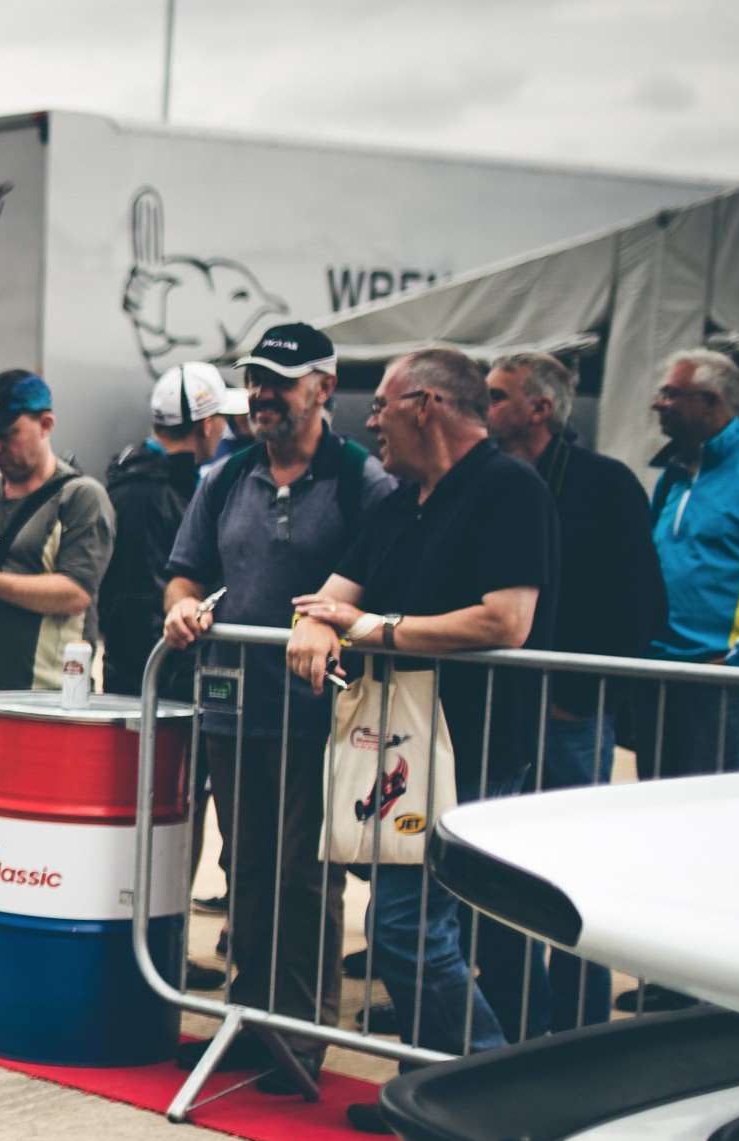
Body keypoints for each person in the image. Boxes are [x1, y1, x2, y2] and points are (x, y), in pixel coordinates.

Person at [287, 348, 556, 1058]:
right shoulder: (401, 501)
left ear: (427, 405)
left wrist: (377, 629)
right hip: (402, 746)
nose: (370, 421)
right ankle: (435, 1080)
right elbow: (334, 594)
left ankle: (492, 1084)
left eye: (381, 404)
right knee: (410, 928)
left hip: (475, 744)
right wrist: (316, 622)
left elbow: (506, 620)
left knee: (405, 929)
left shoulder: (507, 489)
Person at [161, 324, 391, 1077]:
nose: (260, 394)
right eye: (253, 380)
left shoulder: (363, 480)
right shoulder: (225, 477)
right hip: (234, 710)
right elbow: (187, 570)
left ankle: (299, 1038)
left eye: (278, 382)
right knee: (248, 871)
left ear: (324, 388)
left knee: (306, 875)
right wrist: (182, 608)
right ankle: (247, 1019)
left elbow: (385, 580)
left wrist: (330, 624)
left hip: (327, 718)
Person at [485, 350, 662, 1030]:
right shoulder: (489, 481)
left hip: (568, 713)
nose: (486, 405)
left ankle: (578, 1026)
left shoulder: (604, 483)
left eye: (498, 396)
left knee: (573, 876)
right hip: (501, 713)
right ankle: (516, 1019)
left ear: (542, 408)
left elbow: (642, 604)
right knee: (501, 873)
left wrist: (581, 698)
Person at [0, 370, 114, 693]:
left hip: (47, 696)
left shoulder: (80, 497)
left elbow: (76, 594)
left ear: (46, 425)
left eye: (6, 435)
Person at [639, 347, 739, 778]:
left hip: (719, 679)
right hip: (658, 671)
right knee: (651, 807)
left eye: (672, 394)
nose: (659, 403)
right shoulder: (674, 471)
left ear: (711, 401)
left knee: (699, 820)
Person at [101, 362, 241, 696]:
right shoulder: (152, 491)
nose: (226, 430)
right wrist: (175, 671)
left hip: (147, 672)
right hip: (154, 679)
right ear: (207, 425)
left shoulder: (141, 479)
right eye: (224, 419)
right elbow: (141, 596)